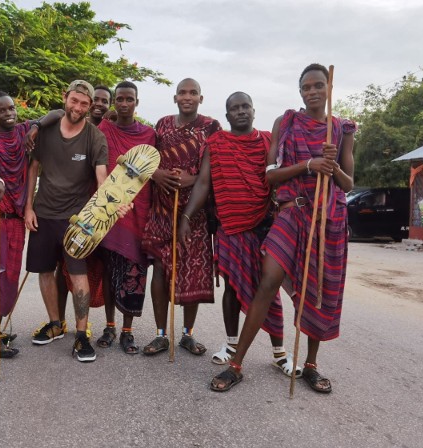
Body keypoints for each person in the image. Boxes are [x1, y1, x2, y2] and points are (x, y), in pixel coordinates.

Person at [209, 64, 356, 393]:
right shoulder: (286, 123)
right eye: (307, 87)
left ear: (329, 88)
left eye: (319, 85)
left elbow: (348, 183)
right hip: (291, 215)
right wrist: (308, 164)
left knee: (315, 293)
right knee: (268, 282)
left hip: (327, 219)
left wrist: (331, 168)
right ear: (300, 91)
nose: (313, 91)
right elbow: (271, 175)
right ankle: (236, 364)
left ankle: (311, 366)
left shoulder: (342, 129)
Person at [179, 91, 301, 378]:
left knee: (268, 290)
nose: (241, 111)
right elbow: (204, 183)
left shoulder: (267, 141)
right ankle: (232, 345)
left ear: (254, 111)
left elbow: (282, 174)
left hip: (264, 225)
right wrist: (186, 216)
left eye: (246, 106)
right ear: (227, 115)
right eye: (235, 108)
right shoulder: (216, 143)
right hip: (230, 228)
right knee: (232, 287)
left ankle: (280, 353)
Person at [0, 91, 62, 359]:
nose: (9, 113)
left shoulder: (23, 131)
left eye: (11, 108)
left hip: (16, 217)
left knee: (9, 277)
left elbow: (60, 114)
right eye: (2, 110)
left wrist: (36, 127)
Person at [24, 80, 108, 362]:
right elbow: (33, 168)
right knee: (45, 271)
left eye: (84, 104)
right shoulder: (46, 130)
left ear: (91, 106)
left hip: (77, 219)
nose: (78, 107)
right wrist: (28, 208)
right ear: (65, 98)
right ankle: (55, 324)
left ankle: (82, 336)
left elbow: (101, 177)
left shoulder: (95, 137)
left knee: (78, 274)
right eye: (74, 101)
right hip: (43, 212)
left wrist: (108, 207)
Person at [141, 78, 221, 356]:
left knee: (192, 271)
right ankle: (161, 334)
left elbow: (210, 173)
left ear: (201, 97)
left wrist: (194, 181)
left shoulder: (210, 127)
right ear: (175, 98)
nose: (187, 97)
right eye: (182, 93)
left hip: (194, 211)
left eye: (193, 93)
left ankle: (187, 334)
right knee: (160, 269)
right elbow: (146, 158)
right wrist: (157, 174)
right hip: (162, 207)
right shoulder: (162, 124)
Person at [94, 81, 155, 354]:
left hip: (138, 212)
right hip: (109, 212)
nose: (124, 103)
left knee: (134, 273)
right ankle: (109, 325)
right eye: (120, 99)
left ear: (137, 102)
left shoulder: (149, 135)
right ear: (114, 102)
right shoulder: (104, 129)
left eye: (129, 99)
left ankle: (128, 331)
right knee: (109, 271)